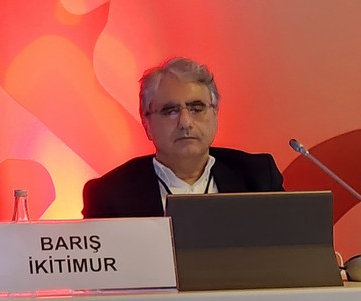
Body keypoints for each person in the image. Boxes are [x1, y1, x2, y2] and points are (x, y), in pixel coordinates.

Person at [82, 57, 283, 218]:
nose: (185, 122)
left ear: (215, 113)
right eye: (170, 111)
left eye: (197, 108)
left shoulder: (257, 177)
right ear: (146, 123)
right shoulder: (109, 195)